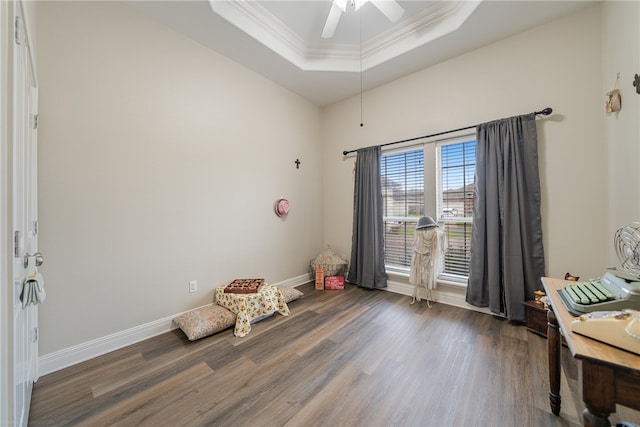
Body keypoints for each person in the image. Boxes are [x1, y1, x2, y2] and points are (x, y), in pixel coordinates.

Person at [409, 216, 448, 306]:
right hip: (419, 260)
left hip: (428, 261)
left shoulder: (439, 234)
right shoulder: (419, 234)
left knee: (427, 275)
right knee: (422, 276)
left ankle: (428, 295)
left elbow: (442, 248)